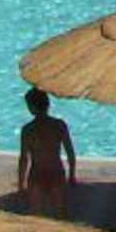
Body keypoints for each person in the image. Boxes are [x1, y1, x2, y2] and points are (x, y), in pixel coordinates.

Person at [17, 88, 76, 218]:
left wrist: (21, 183)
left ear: (31, 107)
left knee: (36, 215)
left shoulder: (28, 130)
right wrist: (72, 174)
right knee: (59, 214)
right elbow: (70, 152)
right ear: (48, 104)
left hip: (37, 173)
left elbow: (24, 158)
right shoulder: (59, 125)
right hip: (56, 171)